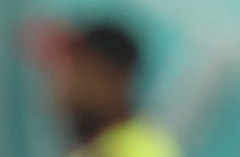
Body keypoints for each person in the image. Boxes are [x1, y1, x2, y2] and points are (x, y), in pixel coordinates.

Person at [34, 21, 180, 157]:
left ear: (113, 78)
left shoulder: (140, 150)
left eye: (79, 68)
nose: (62, 83)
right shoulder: (99, 148)